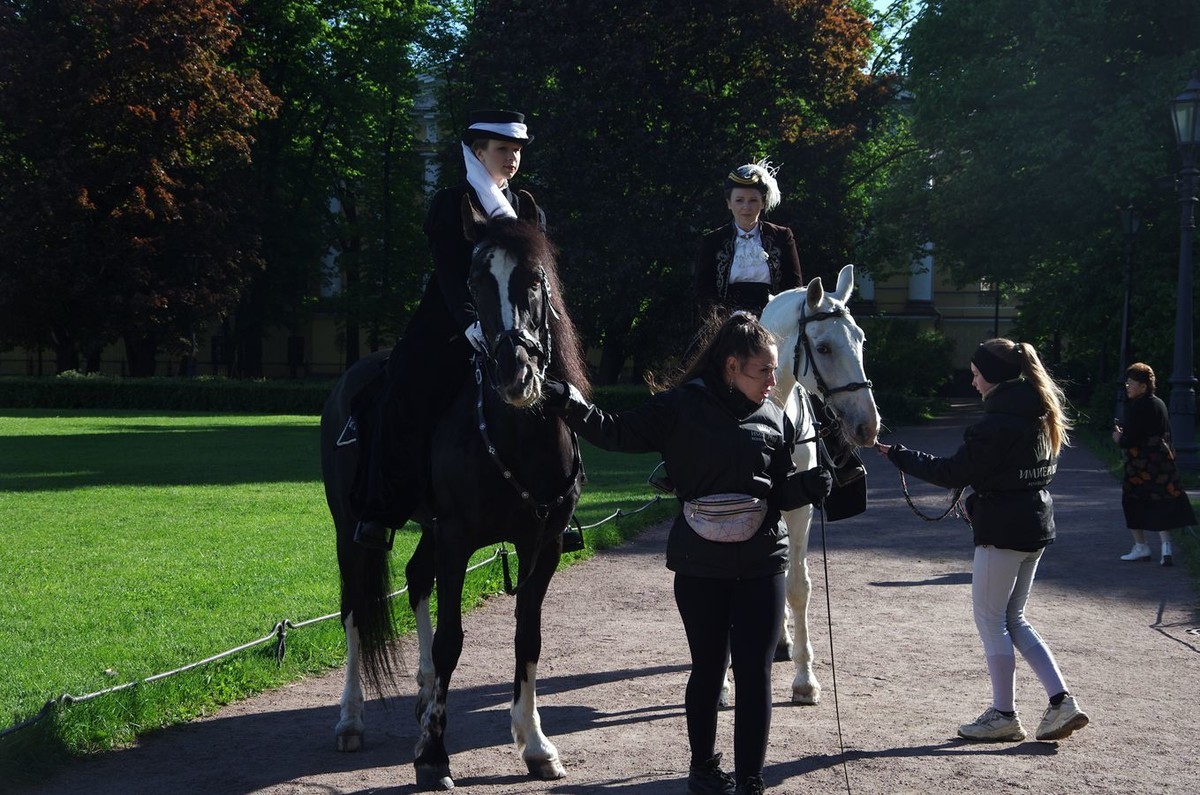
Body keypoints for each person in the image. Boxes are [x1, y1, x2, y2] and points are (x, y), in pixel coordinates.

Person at [544, 312, 833, 795]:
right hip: (701, 566)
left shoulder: (775, 414)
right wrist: (569, 401)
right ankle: (703, 771)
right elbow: (613, 432)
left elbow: (778, 490)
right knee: (708, 667)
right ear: (731, 365)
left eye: (773, 371)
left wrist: (810, 484)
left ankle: (750, 781)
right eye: (762, 371)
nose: (771, 380)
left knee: (756, 673)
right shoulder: (679, 406)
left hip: (763, 562)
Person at [876, 338, 1090, 743]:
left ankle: (1004, 714)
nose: (972, 382)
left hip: (1003, 530)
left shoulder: (996, 422)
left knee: (991, 621)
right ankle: (1061, 701)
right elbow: (1017, 471)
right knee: (1014, 618)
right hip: (1035, 524)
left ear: (991, 376)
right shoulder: (1040, 411)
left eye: (975, 374)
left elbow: (953, 471)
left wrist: (899, 456)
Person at [354, 109, 542, 549]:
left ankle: (557, 505)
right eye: (503, 150)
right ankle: (383, 512)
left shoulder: (527, 208)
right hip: (449, 326)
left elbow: (538, 277)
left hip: (516, 327)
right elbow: (448, 274)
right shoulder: (449, 201)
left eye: (516, 151)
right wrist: (470, 322)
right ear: (478, 152)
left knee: (557, 390)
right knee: (404, 389)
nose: (512, 158)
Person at [693, 160, 803, 320]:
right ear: (729, 203)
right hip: (725, 322)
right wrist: (719, 322)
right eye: (739, 200)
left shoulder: (782, 237)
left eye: (753, 200)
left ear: (763, 203)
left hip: (773, 320)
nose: (746, 207)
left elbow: (794, 288)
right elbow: (703, 291)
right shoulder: (712, 241)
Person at [1113, 362, 1196, 566]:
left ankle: (1141, 546)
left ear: (1143, 386)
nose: (1127, 387)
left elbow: (1130, 440)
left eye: (1131, 383)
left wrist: (1118, 437)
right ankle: (1166, 548)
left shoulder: (1137, 407)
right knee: (1161, 501)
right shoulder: (1159, 403)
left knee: (1132, 502)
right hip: (1162, 463)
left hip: (1140, 466)